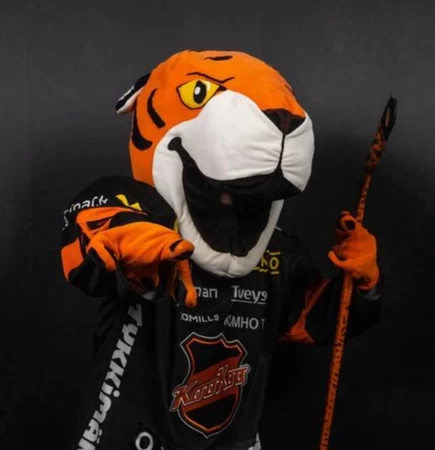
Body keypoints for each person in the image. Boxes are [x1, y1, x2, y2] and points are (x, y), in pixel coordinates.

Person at [61, 50, 382, 450]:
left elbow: (317, 320)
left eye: (241, 189)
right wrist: (128, 244)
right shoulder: (140, 218)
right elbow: (87, 235)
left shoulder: (278, 253)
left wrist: (362, 285)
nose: (229, 200)